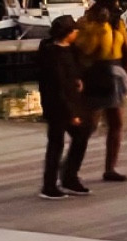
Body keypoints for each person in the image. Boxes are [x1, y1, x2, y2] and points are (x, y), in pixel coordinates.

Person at [71, 0, 127, 183]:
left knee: (117, 123)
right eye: (112, 6)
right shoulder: (86, 23)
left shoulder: (120, 25)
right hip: (95, 74)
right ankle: (70, 169)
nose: (115, 11)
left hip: (116, 74)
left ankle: (110, 168)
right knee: (89, 126)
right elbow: (86, 49)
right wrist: (100, 26)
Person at [36, 14, 91, 200]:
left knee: (81, 137)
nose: (77, 33)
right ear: (67, 33)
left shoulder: (70, 50)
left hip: (72, 101)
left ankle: (69, 177)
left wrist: (78, 79)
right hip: (58, 105)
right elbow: (58, 85)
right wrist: (71, 113)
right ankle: (50, 185)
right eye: (74, 30)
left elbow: (75, 70)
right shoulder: (52, 54)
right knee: (57, 143)